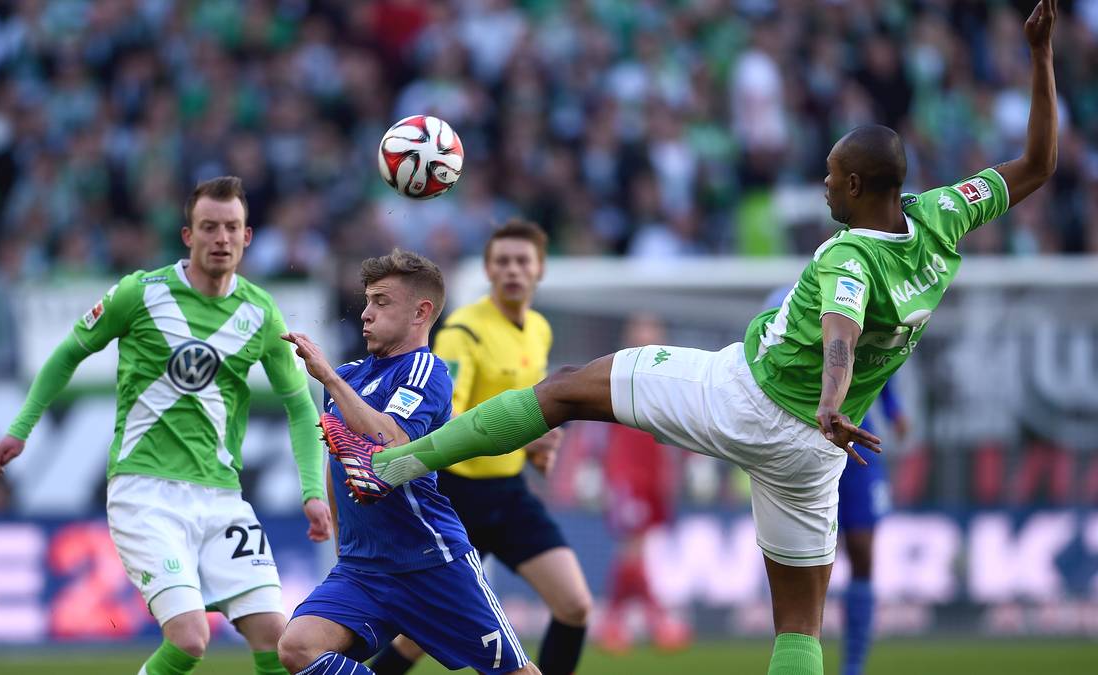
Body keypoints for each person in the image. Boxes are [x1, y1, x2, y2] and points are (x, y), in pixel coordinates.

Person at [321, 4, 1058, 673]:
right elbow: (1038, 165)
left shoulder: (849, 257)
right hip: (815, 453)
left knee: (567, 387)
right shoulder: (941, 217)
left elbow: (842, 325)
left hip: (747, 397)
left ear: (861, 188)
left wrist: (832, 395)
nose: (826, 185)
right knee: (799, 626)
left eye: (835, 177)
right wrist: (1041, 57)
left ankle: (396, 463)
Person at [0, 176, 333, 675]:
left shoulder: (260, 312)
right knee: (190, 638)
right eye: (209, 227)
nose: (221, 238)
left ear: (248, 236)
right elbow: (67, 353)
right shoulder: (140, 293)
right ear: (188, 235)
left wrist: (312, 491)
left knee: (276, 638)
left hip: (221, 498)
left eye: (231, 227)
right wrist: (21, 428)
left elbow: (300, 405)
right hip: (144, 493)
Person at [277, 249, 540, 675]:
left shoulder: (426, 371)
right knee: (298, 647)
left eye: (381, 302)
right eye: (367, 301)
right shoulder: (350, 374)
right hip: (364, 570)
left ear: (421, 312)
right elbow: (337, 460)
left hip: (430, 563)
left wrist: (328, 377)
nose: (366, 313)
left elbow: (392, 440)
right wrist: (344, 545)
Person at [369, 220, 591, 675]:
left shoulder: (539, 329)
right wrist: (523, 437)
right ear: (488, 270)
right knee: (417, 637)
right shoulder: (463, 332)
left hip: (509, 494)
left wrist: (535, 448)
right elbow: (446, 420)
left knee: (575, 606)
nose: (513, 270)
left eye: (522, 261)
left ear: (540, 269)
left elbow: (526, 409)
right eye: (502, 261)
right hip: (458, 496)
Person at [764, 287, 908, 675]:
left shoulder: (850, 304)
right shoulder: (781, 303)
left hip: (855, 446)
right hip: (799, 445)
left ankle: (853, 667)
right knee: (798, 568)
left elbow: (877, 363)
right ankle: (795, 654)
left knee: (861, 552)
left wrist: (894, 410)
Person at [594, 313, 689, 653]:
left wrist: (675, 469)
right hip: (626, 473)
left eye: (652, 331)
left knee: (637, 548)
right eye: (641, 331)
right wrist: (598, 472)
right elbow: (598, 430)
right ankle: (653, 618)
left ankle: (615, 620)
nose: (646, 336)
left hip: (654, 473)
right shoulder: (615, 374)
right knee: (632, 547)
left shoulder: (669, 378)